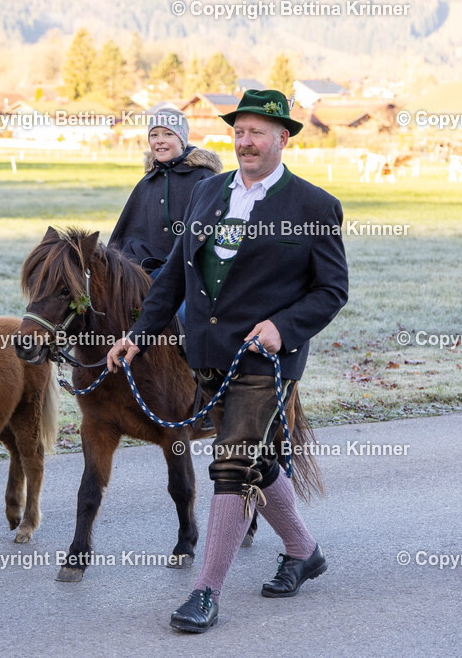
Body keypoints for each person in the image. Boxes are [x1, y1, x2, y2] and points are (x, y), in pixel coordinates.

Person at [107, 89, 349, 633]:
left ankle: (205, 592)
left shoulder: (313, 206)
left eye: (257, 132)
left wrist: (282, 327)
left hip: (267, 359)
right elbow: (175, 273)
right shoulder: (208, 192)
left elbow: (332, 290)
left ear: (282, 138)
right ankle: (304, 551)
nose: (246, 141)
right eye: (239, 132)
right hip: (208, 355)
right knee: (256, 461)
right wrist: (138, 335)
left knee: (233, 463)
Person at [109, 107, 222, 282]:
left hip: (190, 273)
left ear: (182, 140)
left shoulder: (203, 178)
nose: (160, 140)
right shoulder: (147, 182)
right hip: (145, 274)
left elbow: (204, 236)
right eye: (154, 135)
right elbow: (125, 238)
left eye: (168, 134)